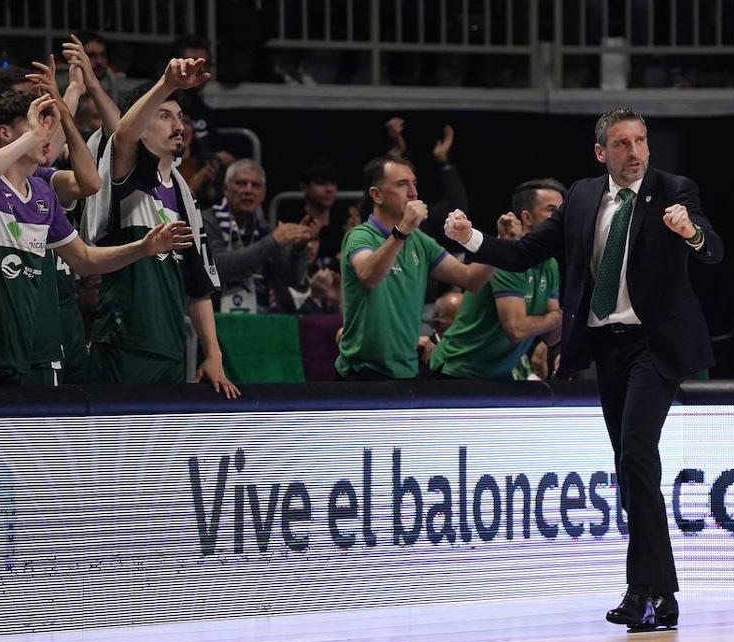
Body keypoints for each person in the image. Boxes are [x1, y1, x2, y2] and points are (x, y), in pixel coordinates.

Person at [443, 107, 723, 630]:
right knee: (631, 466)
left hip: (654, 346)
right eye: (622, 144)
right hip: (606, 346)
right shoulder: (582, 198)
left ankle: (645, 590)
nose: (635, 152)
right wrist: (471, 240)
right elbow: (526, 252)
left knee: (637, 453)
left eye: (641, 140)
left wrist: (692, 234)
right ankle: (657, 592)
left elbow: (713, 251)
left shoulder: (674, 189)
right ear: (601, 152)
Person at [0, 89, 191, 387]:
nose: (47, 133)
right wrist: (32, 137)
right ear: (4, 133)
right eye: (34, 124)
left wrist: (143, 247)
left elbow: (84, 259)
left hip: (24, 356)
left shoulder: (43, 195)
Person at [81, 59, 240, 397]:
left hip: (170, 347)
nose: (178, 125)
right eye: (165, 116)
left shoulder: (185, 198)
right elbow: (124, 136)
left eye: (179, 116)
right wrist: (166, 83)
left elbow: (198, 287)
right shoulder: (127, 173)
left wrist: (213, 354)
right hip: (124, 343)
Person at [335, 155, 495, 381]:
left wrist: (500, 246)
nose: (413, 193)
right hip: (362, 373)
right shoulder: (360, 236)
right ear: (376, 195)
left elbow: (470, 278)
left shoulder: (419, 240)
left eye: (414, 184)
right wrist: (402, 230)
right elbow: (369, 275)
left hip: (407, 370)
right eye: (402, 184)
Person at [430, 179, 566, 380]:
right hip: (459, 370)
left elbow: (552, 336)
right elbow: (516, 329)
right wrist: (560, 316)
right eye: (552, 210)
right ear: (527, 217)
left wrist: (555, 319)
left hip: (498, 374)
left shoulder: (551, 265)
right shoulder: (507, 259)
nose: (561, 217)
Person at [203, 158, 318, 314]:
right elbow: (216, 268)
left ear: (263, 194)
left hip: (259, 322)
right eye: (241, 183)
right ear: (225, 188)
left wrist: (298, 249)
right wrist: (272, 243)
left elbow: (293, 279)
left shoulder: (265, 230)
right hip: (214, 318)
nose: (248, 190)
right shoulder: (206, 221)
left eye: (255, 185)